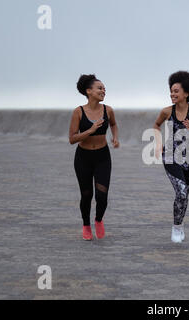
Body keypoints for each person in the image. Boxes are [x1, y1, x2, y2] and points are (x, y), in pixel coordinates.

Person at [153, 71, 189, 243]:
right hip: (170, 157)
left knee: (184, 196)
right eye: (171, 91)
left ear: (186, 93)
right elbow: (156, 125)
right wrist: (158, 142)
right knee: (182, 192)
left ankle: (179, 224)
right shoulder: (166, 112)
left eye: (176, 91)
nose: (172, 94)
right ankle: (176, 228)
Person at [68, 74, 120, 240]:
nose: (103, 90)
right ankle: (86, 225)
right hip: (83, 158)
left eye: (104, 88)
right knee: (86, 195)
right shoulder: (78, 112)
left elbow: (113, 124)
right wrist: (90, 131)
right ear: (88, 91)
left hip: (102, 156)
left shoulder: (108, 110)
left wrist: (115, 137)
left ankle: (98, 220)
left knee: (102, 196)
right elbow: (72, 139)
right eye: (99, 88)